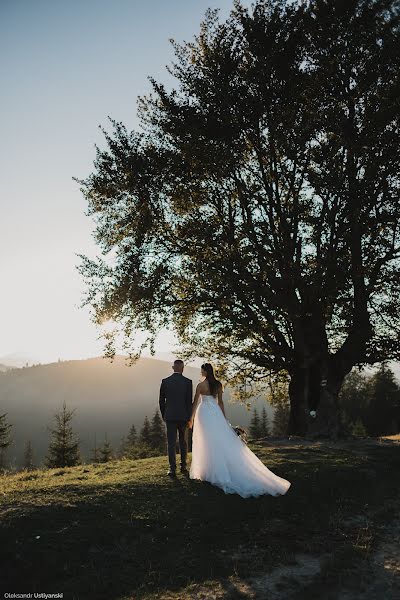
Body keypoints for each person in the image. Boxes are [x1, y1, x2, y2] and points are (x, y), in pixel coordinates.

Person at [189, 363, 291, 498]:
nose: (201, 373)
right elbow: (220, 403)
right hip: (215, 413)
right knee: (218, 440)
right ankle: (213, 469)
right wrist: (223, 419)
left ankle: (208, 470)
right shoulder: (218, 384)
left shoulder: (200, 385)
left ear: (204, 372)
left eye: (201, 371)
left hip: (204, 414)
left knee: (206, 440)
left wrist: (191, 418)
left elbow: (195, 402)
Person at [159, 359, 193, 478]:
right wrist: (190, 417)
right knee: (183, 442)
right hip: (184, 416)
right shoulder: (188, 382)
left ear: (173, 368)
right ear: (182, 368)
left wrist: (164, 414)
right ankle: (183, 466)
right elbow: (189, 402)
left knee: (171, 443)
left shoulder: (165, 381)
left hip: (170, 416)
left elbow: (161, 401)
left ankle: (172, 468)